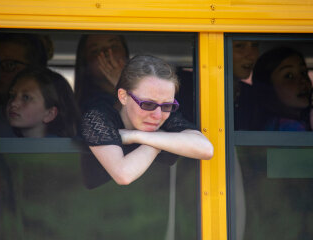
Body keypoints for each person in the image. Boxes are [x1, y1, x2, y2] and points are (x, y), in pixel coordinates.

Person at [80, 55, 213, 185]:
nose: (157, 115)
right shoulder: (97, 118)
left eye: (167, 105)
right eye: (148, 104)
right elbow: (123, 174)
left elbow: (206, 149)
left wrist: (136, 136)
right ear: (123, 96)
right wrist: (157, 142)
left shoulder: (164, 114)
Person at [6, 67, 80, 137]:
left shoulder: (61, 149)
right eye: (12, 95)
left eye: (26, 97)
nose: (13, 103)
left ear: (50, 114)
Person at [251, 47, 312, 131]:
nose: (303, 80)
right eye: (289, 76)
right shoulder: (291, 128)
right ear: (269, 89)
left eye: (303, 73)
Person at [74, 34, 129, 113]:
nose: (107, 53)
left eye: (114, 47)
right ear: (86, 64)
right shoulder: (93, 110)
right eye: (95, 51)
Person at [232, 40, 259, 130]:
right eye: (239, 46)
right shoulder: (193, 89)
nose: (252, 56)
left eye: (254, 45)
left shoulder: (253, 94)